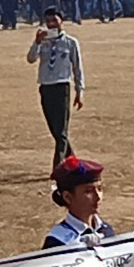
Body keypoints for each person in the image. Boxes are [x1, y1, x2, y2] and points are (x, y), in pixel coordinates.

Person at [26, 10, 84, 165]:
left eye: (54, 20)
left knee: (61, 131)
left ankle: (57, 167)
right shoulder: (42, 42)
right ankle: (72, 160)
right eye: (48, 21)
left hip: (61, 87)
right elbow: (31, 59)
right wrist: (37, 42)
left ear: (61, 21)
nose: (51, 24)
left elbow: (77, 68)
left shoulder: (70, 42)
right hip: (46, 87)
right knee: (55, 130)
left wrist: (80, 91)